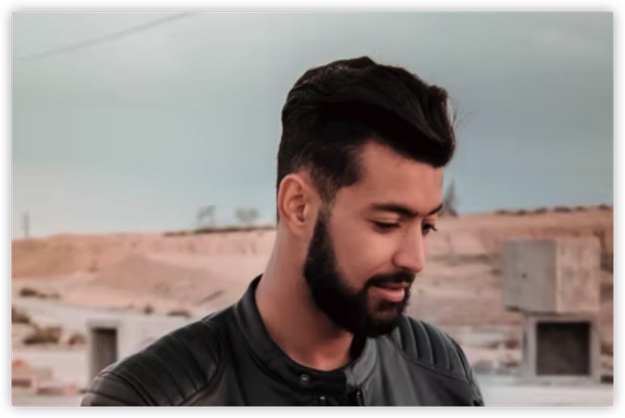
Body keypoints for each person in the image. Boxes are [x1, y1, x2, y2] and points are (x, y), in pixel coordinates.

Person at [81, 56, 484, 406]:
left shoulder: (442, 371)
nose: (415, 259)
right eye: (387, 224)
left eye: (427, 226)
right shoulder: (150, 397)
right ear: (299, 206)